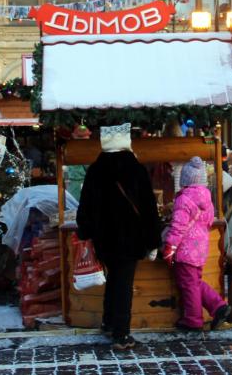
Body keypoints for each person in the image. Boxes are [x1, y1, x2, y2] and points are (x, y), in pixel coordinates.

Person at [77, 123, 161, 350]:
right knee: (123, 283)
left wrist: (85, 232)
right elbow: (148, 208)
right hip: (130, 238)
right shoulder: (135, 168)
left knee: (113, 278)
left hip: (103, 238)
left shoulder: (95, 169)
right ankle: (121, 334)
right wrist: (154, 241)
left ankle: (108, 321)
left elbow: (84, 206)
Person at [162, 156, 231, 331]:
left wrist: (170, 247)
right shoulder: (207, 199)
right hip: (200, 249)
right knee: (195, 281)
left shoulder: (183, 199)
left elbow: (178, 227)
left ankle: (193, 319)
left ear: (184, 179)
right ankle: (218, 306)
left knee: (188, 284)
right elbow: (208, 223)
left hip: (185, 250)